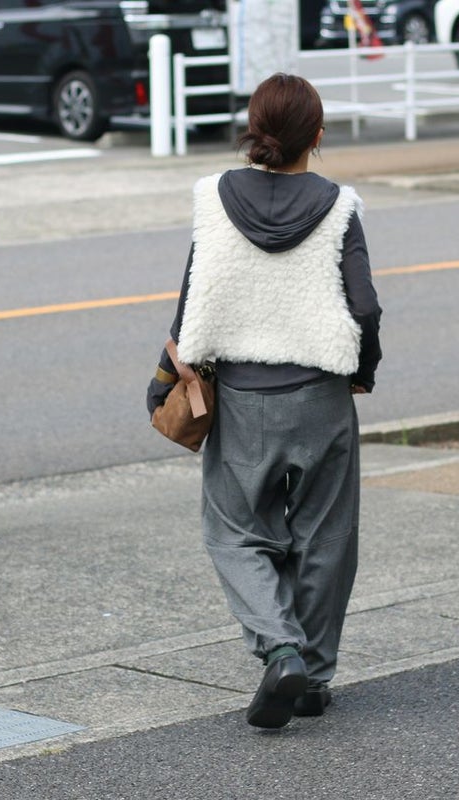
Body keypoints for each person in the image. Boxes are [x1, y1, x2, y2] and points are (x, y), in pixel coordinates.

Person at [146, 73, 382, 729]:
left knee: (235, 532)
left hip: (242, 399)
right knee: (326, 537)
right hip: (322, 396)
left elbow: (195, 297)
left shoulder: (213, 198)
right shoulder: (339, 207)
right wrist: (362, 370)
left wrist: (166, 376)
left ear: (256, 131)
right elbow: (365, 307)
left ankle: (281, 651)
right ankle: (313, 677)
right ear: (317, 136)